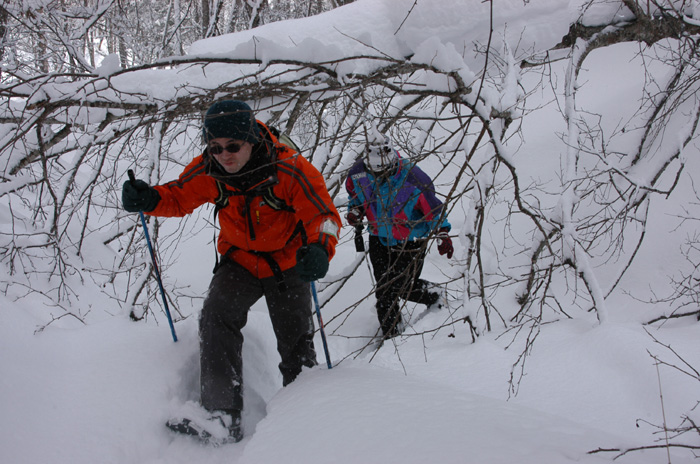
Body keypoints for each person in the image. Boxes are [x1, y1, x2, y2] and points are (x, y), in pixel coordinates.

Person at [121, 100, 341, 443]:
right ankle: (221, 416)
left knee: (296, 345)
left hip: (287, 262)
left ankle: (305, 424)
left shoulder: (290, 169)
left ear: (251, 139)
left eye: (233, 146)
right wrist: (148, 199)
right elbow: (179, 197)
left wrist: (319, 248)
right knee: (216, 316)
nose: (224, 154)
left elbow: (323, 216)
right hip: (240, 260)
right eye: (215, 146)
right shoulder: (209, 170)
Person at [345, 134, 453, 339]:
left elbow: (434, 209)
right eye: (375, 172)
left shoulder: (413, 178)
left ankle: (434, 294)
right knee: (385, 291)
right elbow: (356, 197)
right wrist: (356, 211)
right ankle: (393, 337)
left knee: (400, 287)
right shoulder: (358, 174)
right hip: (378, 237)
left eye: (384, 171)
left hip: (410, 241)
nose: (380, 176)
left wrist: (443, 232)